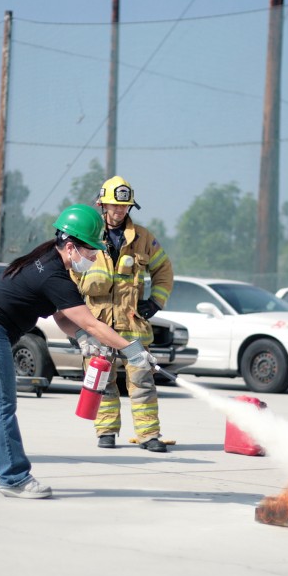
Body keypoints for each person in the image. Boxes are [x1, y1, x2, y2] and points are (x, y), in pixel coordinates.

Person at [0, 204, 158, 498]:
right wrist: (133, 350)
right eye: (89, 251)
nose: (91, 258)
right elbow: (92, 321)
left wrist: (79, 335)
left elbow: (62, 315)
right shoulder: (53, 273)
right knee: (2, 404)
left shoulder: (48, 260)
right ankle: (14, 478)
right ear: (70, 245)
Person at [71, 175, 174, 451]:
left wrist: (155, 303)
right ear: (102, 205)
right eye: (114, 206)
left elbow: (164, 270)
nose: (119, 211)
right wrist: (78, 325)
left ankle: (149, 436)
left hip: (133, 328)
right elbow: (69, 276)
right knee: (101, 381)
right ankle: (106, 432)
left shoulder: (143, 238)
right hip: (98, 326)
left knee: (142, 383)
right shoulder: (86, 233)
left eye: (124, 206)